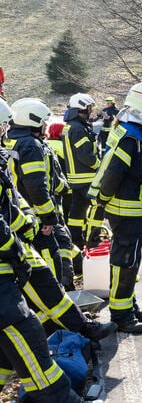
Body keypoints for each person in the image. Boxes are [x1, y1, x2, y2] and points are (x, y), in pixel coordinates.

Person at [0, 98, 89, 403]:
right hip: (5, 266)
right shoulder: (29, 146)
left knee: (10, 347)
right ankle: (61, 397)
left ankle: (81, 329)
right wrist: (16, 245)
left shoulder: (10, 151)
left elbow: (10, 203)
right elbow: (35, 187)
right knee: (28, 333)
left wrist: (26, 227)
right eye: (1, 125)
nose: (4, 130)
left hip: (13, 255)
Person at [88, 81, 142, 335]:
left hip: (132, 211)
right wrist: (102, 205)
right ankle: (121, 315)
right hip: (126, 211)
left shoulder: (131, 131)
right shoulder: (130, 138)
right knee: (125, 262)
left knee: (131, 261)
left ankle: (129, 307)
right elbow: (113, 174)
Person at [4, 99, 74, 286]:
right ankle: (55, 308)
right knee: (50, 264)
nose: (46, 125)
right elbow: (36, 185)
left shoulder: (10, 141)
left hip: (17, 215)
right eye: (43, 121)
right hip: (35, 217)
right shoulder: (30, 145)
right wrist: (49, 218)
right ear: (32, 120)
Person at [62, 93, 101, 287]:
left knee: (77, 212)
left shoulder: (72, 126)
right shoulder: (78, 128)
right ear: (82, 109)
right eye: (89, 108)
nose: (91, 111)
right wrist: (100, 166)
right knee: (97, 207)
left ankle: (76, 241)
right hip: (86, 178)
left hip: (76, 179)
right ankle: (93, 238)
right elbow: (86, 155)